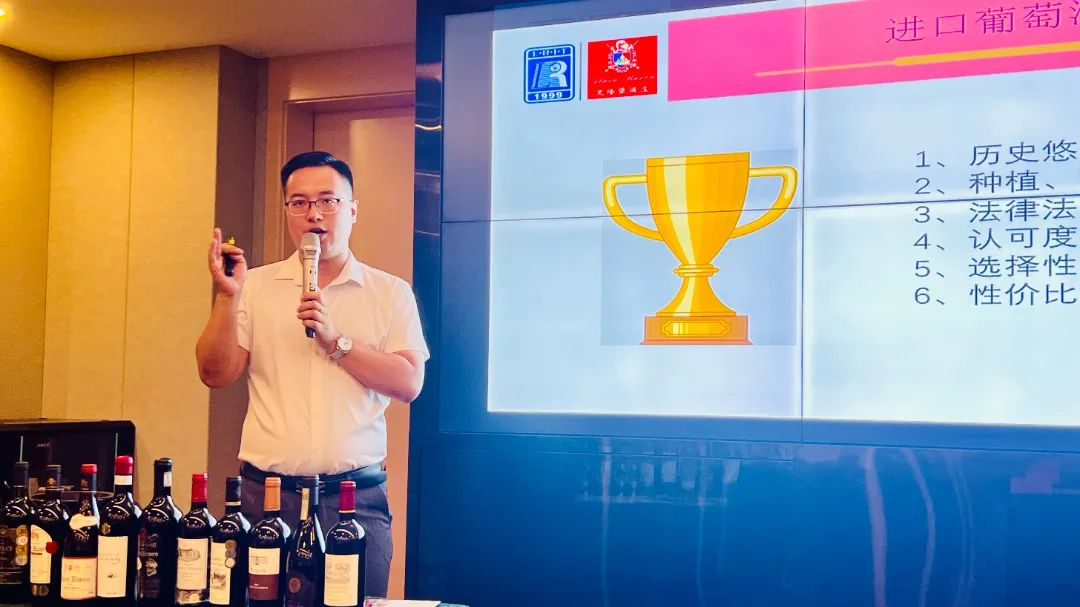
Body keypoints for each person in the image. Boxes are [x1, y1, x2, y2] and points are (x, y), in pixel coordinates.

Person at [195, 150, 429, 597]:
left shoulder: (389, 292)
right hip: (266, 497)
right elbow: (215, 373)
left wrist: (336, 341)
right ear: (287, 212)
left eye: (328, 200)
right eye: (299, 203)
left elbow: (408, 383)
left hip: (354, 499)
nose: (314, 214)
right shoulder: (254, 286)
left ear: (353, 210)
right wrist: (226, 298)